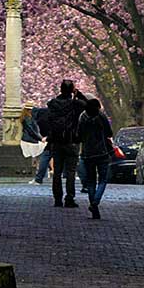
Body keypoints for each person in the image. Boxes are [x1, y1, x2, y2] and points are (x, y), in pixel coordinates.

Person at [46, 79, 88, 208]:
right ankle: (69, 198)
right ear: (71, 90)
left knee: (57, 171)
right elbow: (88, 105)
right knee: (71, 171)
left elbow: (48, 120)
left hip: (56, 141)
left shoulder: (53, 104)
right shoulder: (76, 104)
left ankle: (57, 199)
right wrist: (78, 94)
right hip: (71, 141)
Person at [77, 97, 113, 219]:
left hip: (87, 153)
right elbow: (109, 133)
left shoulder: (82, 117)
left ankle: (94, 207)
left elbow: (79, 135)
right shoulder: (101, 116)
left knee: (91, 181)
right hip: (102, 152)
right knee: (102, 180)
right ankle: (95, 202)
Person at [31, 105, 53, 184]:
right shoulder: (52, 114)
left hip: (52, 140)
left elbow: (44, 132)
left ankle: (39, 178)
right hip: (62, 139)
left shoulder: (40, 119)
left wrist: (47, 137)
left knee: (45, 156)